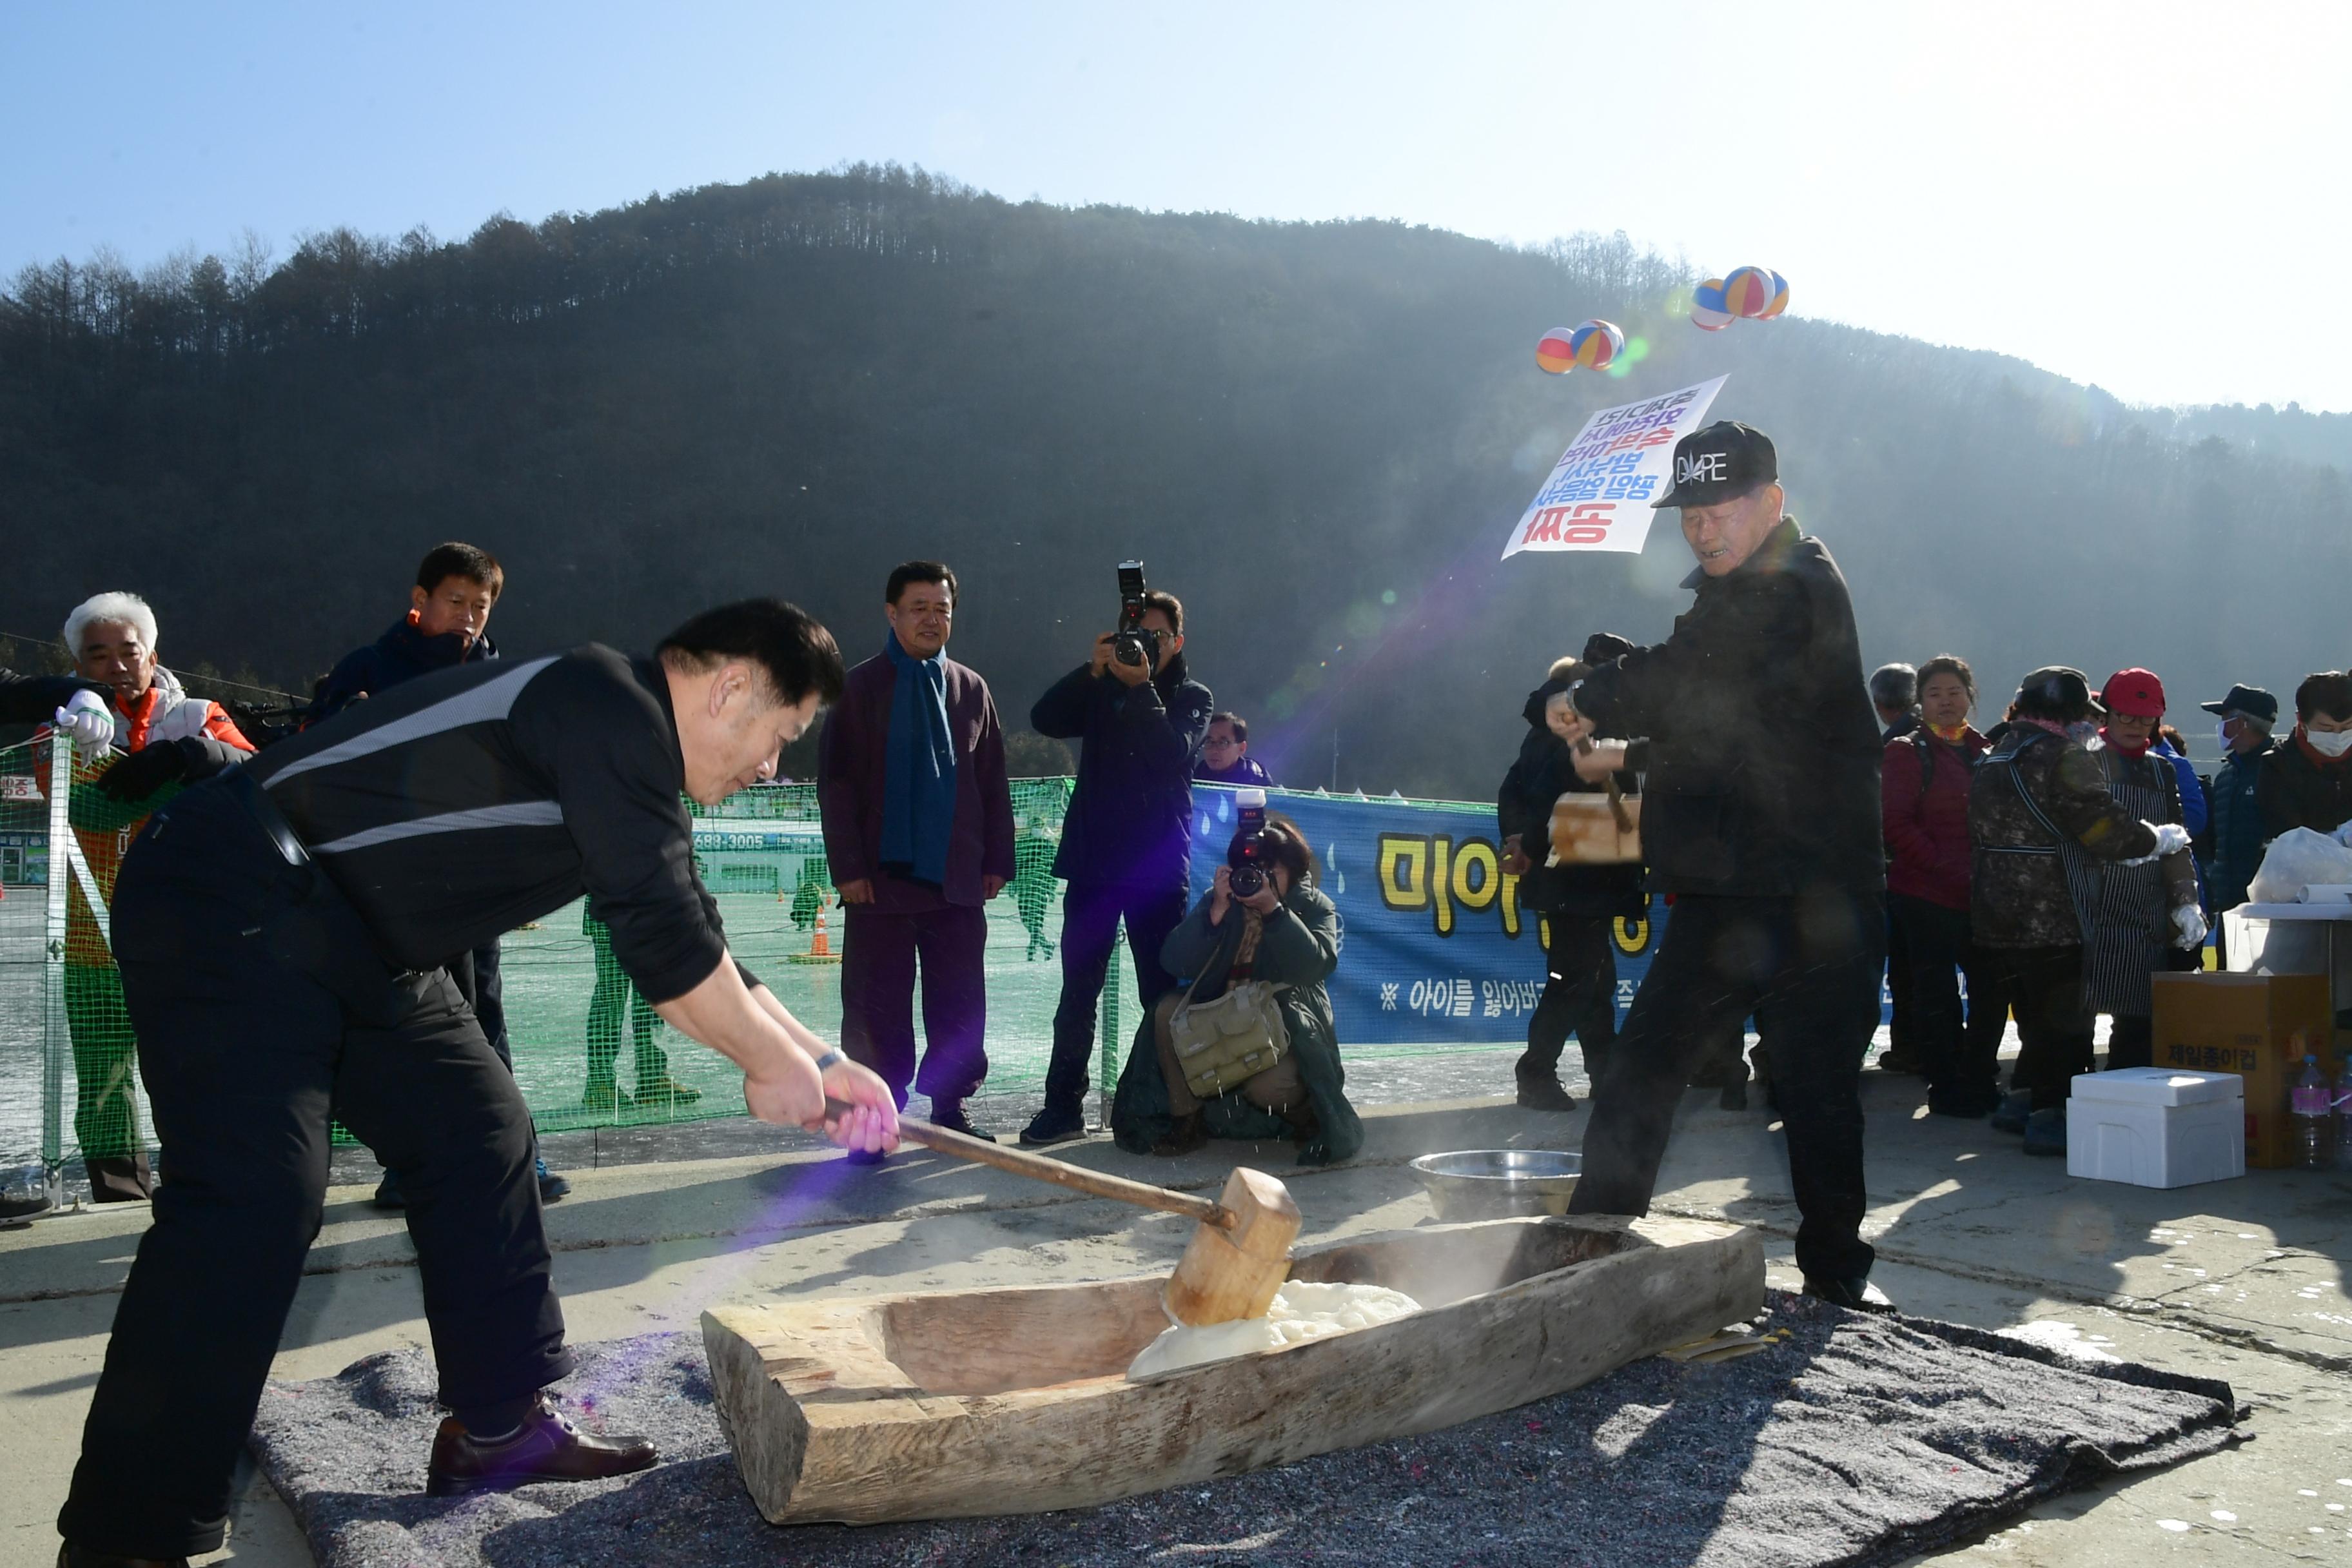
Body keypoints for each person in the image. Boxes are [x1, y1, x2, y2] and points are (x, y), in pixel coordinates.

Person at [55, 600, 899, 1561]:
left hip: (368, 941)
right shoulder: (605, 702)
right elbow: (667, 948)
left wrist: (822, 1062)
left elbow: (693, 929)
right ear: (733, 686)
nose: (771, 769)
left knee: (479, 1131)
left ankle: (496, 1429)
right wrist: (766, 1065)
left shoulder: (622, 752)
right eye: (781, 737)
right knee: (250, 1200)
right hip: (235, 892)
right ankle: (128, 1534)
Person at [1555, 421, 1892, 1313]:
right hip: (1728, 891)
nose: (1703, 531)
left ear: (1771, 505)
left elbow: (1703, 680)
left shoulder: (1799, 585)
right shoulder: (1726, 594)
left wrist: (1597, 693)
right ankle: (1589, 1250)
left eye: (1720, 511)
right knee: (1640, 1070)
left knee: (1817, 1092)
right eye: (1690, 515)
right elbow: (1711, 722)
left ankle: (1835, 1278)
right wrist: (1612, 708)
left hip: (1821, 895)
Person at [313, 544, 569, 1208]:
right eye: (456, 601)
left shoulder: (500, 677)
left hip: (472, 883)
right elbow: (314, 761)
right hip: (384, 889)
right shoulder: (367, 669)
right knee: (402, 1028)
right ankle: (409, 1164)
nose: (469, 618)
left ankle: (518, 1158)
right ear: (420, 599)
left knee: (483, 1016)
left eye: (481, 607)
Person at [43, 594, 257, 1208]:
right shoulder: (60, 727)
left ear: (153, 655)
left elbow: (254, 772)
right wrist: (180, 777)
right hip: (92, 938)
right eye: (97, 655)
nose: (114, 665)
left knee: (198, 1067)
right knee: (104, 1083)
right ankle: (121, 1197)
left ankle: (209, 1187)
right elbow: (83, 806)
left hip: (191, 933)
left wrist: (187, 754)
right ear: (77, 666)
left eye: (127, 652)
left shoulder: (198, 714)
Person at [817, 562, 1016, 1152]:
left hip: (955, 878)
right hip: (879, 881)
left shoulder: (971, 688)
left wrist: (996, 861)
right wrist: (849, 869)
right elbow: (836, 785)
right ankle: (877, 1120)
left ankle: (951, 1109)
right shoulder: (857, 688)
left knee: (960, 1000)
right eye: (920, 607)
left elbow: (992, 781)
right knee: (875, 1009)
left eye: (943, 608)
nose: (933, 619)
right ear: (892, 613)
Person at [1021, 586, 1213, 1146]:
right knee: (1076, 995)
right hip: (1094, 865)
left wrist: (1143, 688)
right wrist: (1092, 669)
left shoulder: (1192, 696)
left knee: (1161, 995)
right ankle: (1062, 1109)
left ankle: (1167, 1109)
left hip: (1156, 869)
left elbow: (1172, 752)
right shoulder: (1101, 686)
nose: (1146, 645)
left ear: (1177, 641)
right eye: (1138, 634)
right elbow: (1044, 718)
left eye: (1157, 637)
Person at [1970, 667, 2187, 1157]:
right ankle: (2054, 1117)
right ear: (2070, 713)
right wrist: (2158, 838)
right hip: (2055, 909)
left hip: (1997, 911)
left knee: (2031, 1018)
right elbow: (2105, 831)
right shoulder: (2060, 755)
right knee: (2062, 1026)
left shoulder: (1996, 753)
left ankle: (2023, 1102)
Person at [1110, 813, 1362, 1164]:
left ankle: (1306, 1115)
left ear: (1293, 872)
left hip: (1284, 1025)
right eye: (1250, 870)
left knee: (1268, 1088)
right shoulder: (1224, 901)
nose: (1256, 879)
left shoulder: (1315, 906)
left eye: (1269, 871)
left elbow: (1315, 966)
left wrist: (1275, 913)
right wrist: (1213, 914)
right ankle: (1187, 1120)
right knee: (1167, 1010)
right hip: (1226, 1010)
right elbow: (1174, 962)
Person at [1496, 643, 1643, 1112]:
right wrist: (1533, 845)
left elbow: (1514, 789)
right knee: (1576, 977)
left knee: (1593, 974)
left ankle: (1606, 1071)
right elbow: (1551, 797)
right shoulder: (1581, 726)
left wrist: (1518, 839)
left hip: (1569, 872)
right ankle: (1536, 1072)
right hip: (1580, 869)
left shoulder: (1544, 725)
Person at [1880, 654, 2004, 1117]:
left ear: (1971, 696)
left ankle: (1978, 1077)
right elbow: (1896, 825)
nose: (1946, 701)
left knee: (1992, 990)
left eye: (1955, 692)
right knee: (1936, 996)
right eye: (1935, 693)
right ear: (1920, 702)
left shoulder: (1985, 751)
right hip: (1925, 894)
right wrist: (1946, 867)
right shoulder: (1906, 752)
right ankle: (1947, 1086)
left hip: (1982, 895)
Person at [2074, 670, 2206, 1087]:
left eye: (2145, 719)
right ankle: (2065, 1107)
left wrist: (2186, 901)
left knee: (2135, 1032)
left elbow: (2178, 842)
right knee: (2072, 1029)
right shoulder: (2082, 760)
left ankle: (2126, 1104)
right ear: (2107, 714)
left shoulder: (2162, 771)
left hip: (2141, 918)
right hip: (2086, 912)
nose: (2135, 726)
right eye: (2125, 716)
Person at [582, 907, 695, 1113]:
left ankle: (652, 1079)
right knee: (611, 997)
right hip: (611, 912)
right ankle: (600, 1084)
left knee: (652, 997)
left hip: (654, 914)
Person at [1869, 660, 1925, 1073]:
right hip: (1945, 868)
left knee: (1905, 968)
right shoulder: (1949, 739)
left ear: (1879, 705)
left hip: (1900, 872)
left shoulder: (1888, 748)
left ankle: (1909, 1046)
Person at [2197, 683, 2278, 956]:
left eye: (2225, 718)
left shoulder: (2280, 768)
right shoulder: (2227, 774)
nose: (2220, 726)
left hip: (2269, 908)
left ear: (2242, 723)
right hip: (2229, 907)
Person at [2258, 671, 2352, 839]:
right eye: (2326, 729)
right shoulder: (2278, 766)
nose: (2338, 736)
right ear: (2302, 720)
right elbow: (2286, 838)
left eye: (2347, 727)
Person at [1194, 711, 1275, 787]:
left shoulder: (1256, 778)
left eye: (1223, 743)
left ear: (1241, 748)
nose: (1214, 750)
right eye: (1209, 742)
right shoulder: (1196, 776)